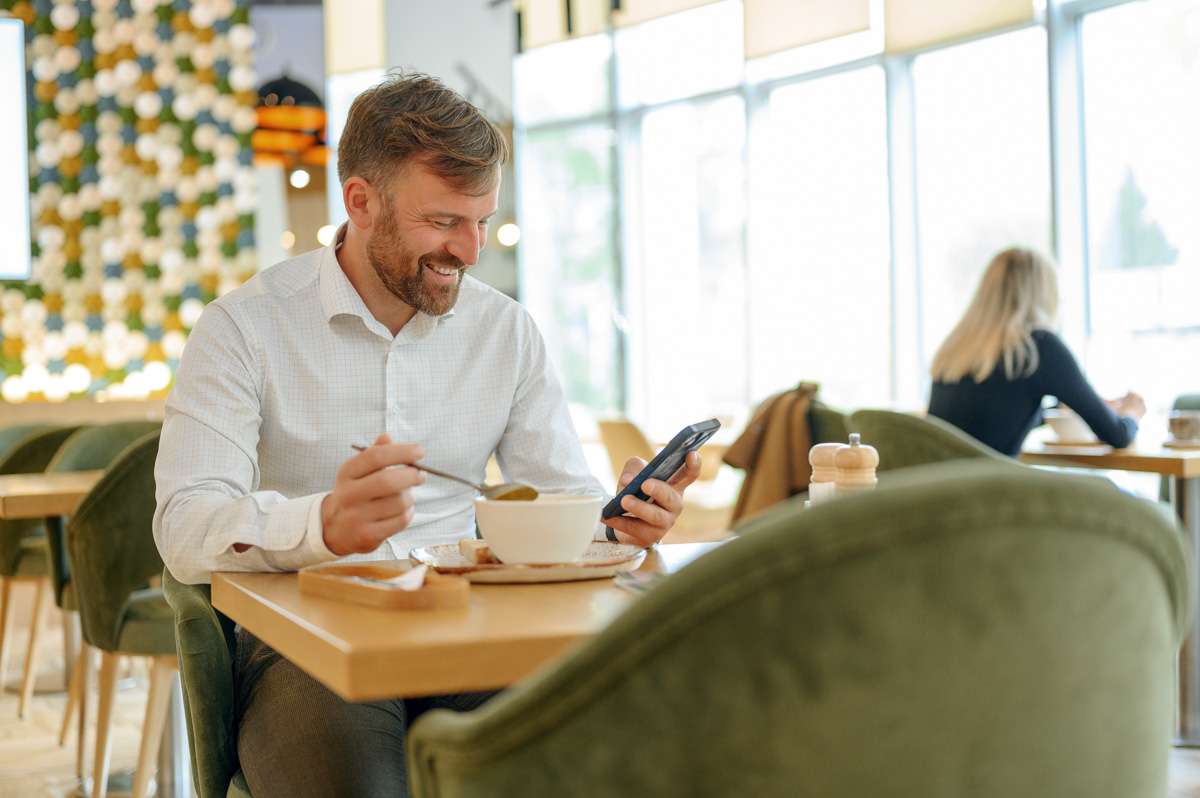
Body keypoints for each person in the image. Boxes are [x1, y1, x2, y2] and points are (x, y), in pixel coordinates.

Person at [153, 71, 701, 796]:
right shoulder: (242, 330)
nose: (471, 251)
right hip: (308, 645)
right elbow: (184, 528)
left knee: (615, 754)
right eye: (444, 222)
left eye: (482, 221)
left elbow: (564, 495)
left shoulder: (505, 330)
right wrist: (321, 523)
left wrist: (622, 523)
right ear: (360, 201)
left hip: (476, 629)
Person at [927, 246, 1145, 458]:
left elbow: (993, 416)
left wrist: (1061, 406)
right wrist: (1132, 414)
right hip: (990, 491)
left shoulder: (955, 350)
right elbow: (1118, 435)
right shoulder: (1038, 346)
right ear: (1045, 294)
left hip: (933, 490)